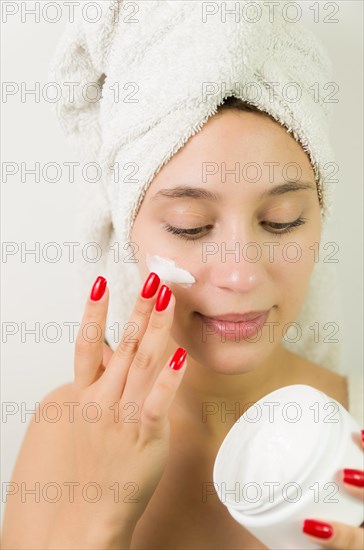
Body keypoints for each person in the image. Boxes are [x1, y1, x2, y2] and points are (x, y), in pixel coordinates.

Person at [2, 1, 363, 548]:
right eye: (189, 226)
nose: (240, 277)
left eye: (281, 221)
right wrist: (101, 515)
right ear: (130, 236)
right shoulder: (66, 430)